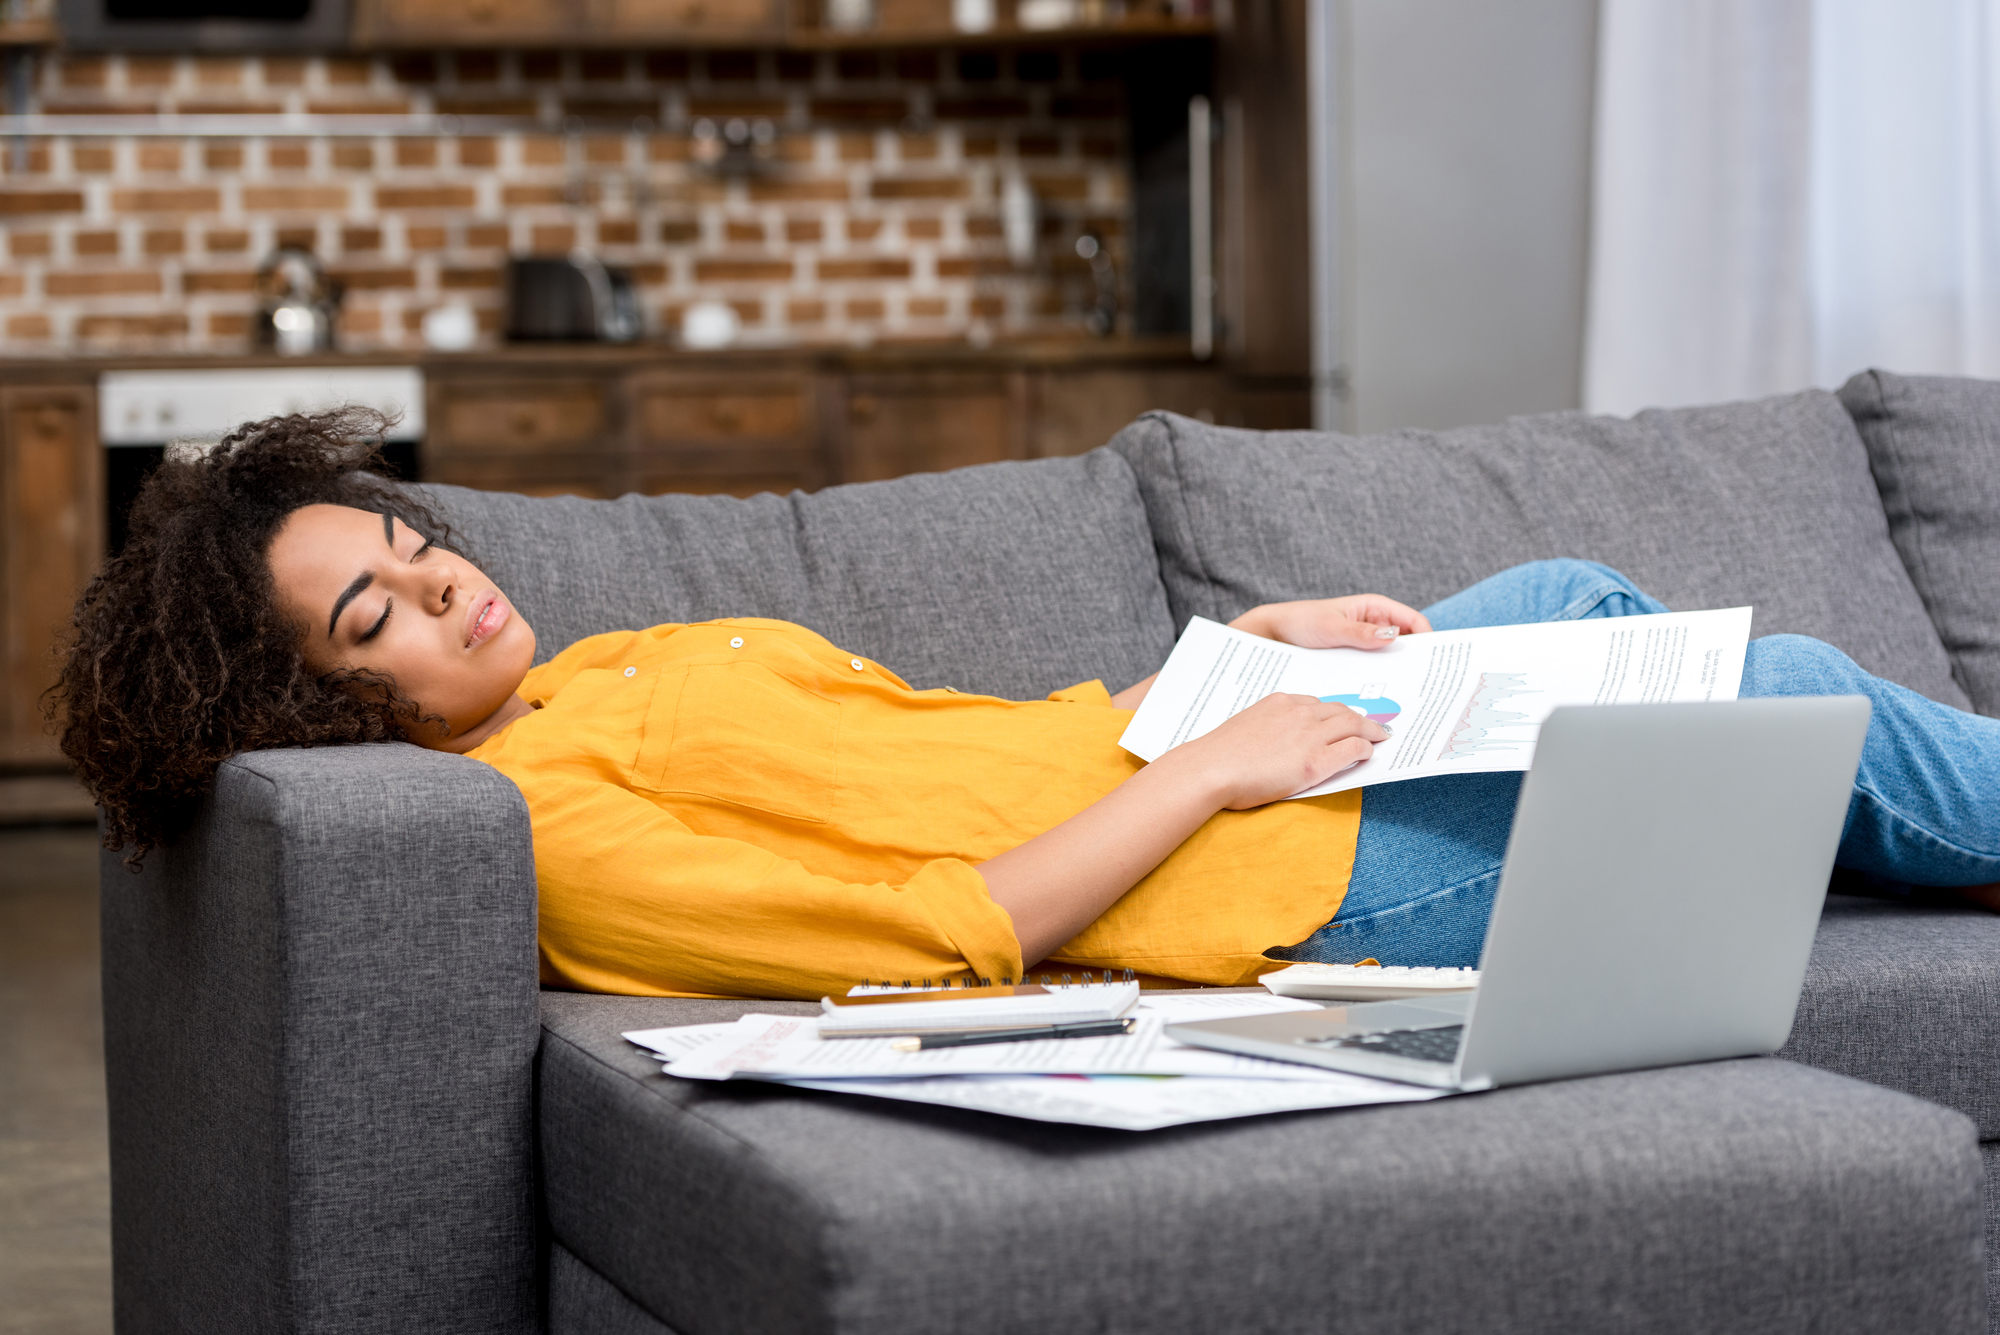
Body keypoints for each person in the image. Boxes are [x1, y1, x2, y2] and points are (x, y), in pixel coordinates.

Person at [57, 413, 2000, 1000]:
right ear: (330, 717)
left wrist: (1226, 662)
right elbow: (941, 925)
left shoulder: (607, 667)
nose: (441, 579)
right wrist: (1230, 760)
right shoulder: (549, 828)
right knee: (1784, 692)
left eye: (399, 539)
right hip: (1266, 876)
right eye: (374, 616)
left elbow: (970, 741)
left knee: (1572, 601)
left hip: (1209, 755)